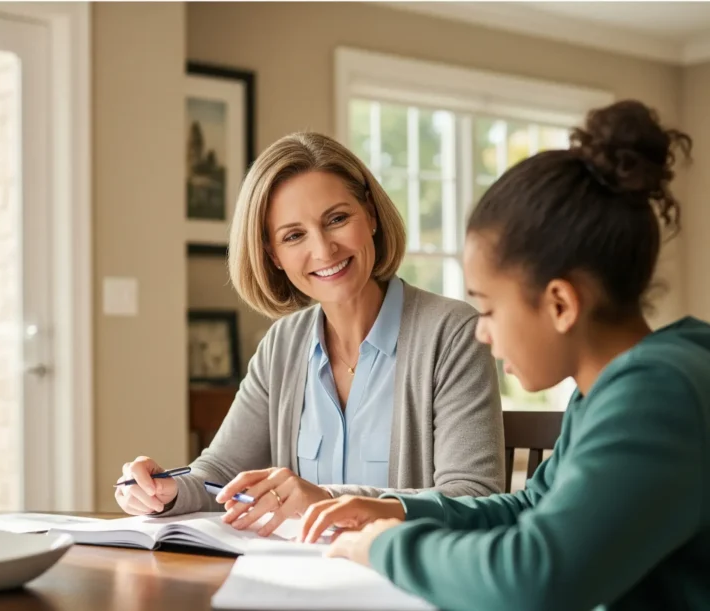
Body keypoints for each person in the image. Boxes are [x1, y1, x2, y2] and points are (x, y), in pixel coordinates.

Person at [299, 100, 710, 610]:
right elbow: (531, 507)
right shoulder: (612, 389)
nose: (483, 335)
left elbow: (535, 577)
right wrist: (398, 511)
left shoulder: (658, 394)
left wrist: (386, 547)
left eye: (489, 309)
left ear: (560, 303)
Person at [115, 132, 505, 535]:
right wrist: (163, 491)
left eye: (337, 219)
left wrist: (328, 500)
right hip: (302, 579)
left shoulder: (453, 333)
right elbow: (219, 473)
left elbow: (473, 498)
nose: (323, 249)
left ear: (370, 214)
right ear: (274, 256)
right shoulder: (281, 346)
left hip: (405, 582)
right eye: (293, 235)